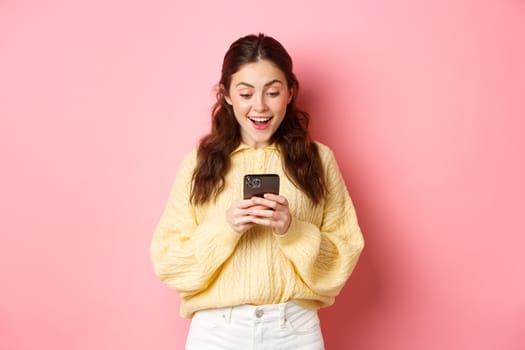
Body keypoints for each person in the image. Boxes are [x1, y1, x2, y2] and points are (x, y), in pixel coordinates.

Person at [150, 33, 365, 350]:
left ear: (290, 92)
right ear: (226, 94)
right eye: (246, 93)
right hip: (217, 332)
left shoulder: (320, 160)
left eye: (273, 92)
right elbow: (169, 262)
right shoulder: (198, 164)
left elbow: (343, 256)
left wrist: (292, 230)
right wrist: (226, 229)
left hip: (294, 330)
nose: (260, 106)